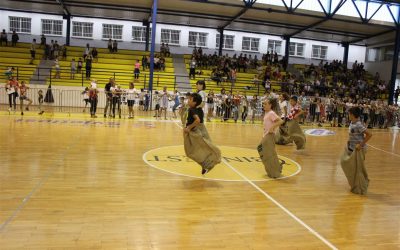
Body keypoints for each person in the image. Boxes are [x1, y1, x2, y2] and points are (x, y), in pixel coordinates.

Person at [183, 93, 221, 175]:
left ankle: (208, 163)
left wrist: (189, 128)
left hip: (194, 131)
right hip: (201, 129)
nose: (188, 100)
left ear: (195, 102)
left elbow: (197, 120)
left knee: (190, 151)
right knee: (204, 147)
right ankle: (206, 165)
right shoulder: (199, 109)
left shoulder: (192, 110)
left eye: (190, 99)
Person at [340, 107, 372, 195]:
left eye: (349, 114)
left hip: (359, 150)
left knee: (358, 170)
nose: (348, 115)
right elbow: (353, 134)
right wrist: (349, 141)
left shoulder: (358, 124)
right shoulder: (351, 123)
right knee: (349, 166)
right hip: (352, 148)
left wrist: (361, 144)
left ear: (353, 115)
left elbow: (369, 134)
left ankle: (361, 188)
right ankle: (356, 186)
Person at [257, 97, 284, 178]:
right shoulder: (267, 113)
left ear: (270, 105)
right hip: (266, 135)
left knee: (269, 153)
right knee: (265, 151)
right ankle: (274, 169)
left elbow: (280, 121)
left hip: (270, 135)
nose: (263, 105)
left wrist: (273, 128)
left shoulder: (271, 113)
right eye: (263, 104)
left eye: (265, 104)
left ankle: (275, 171)